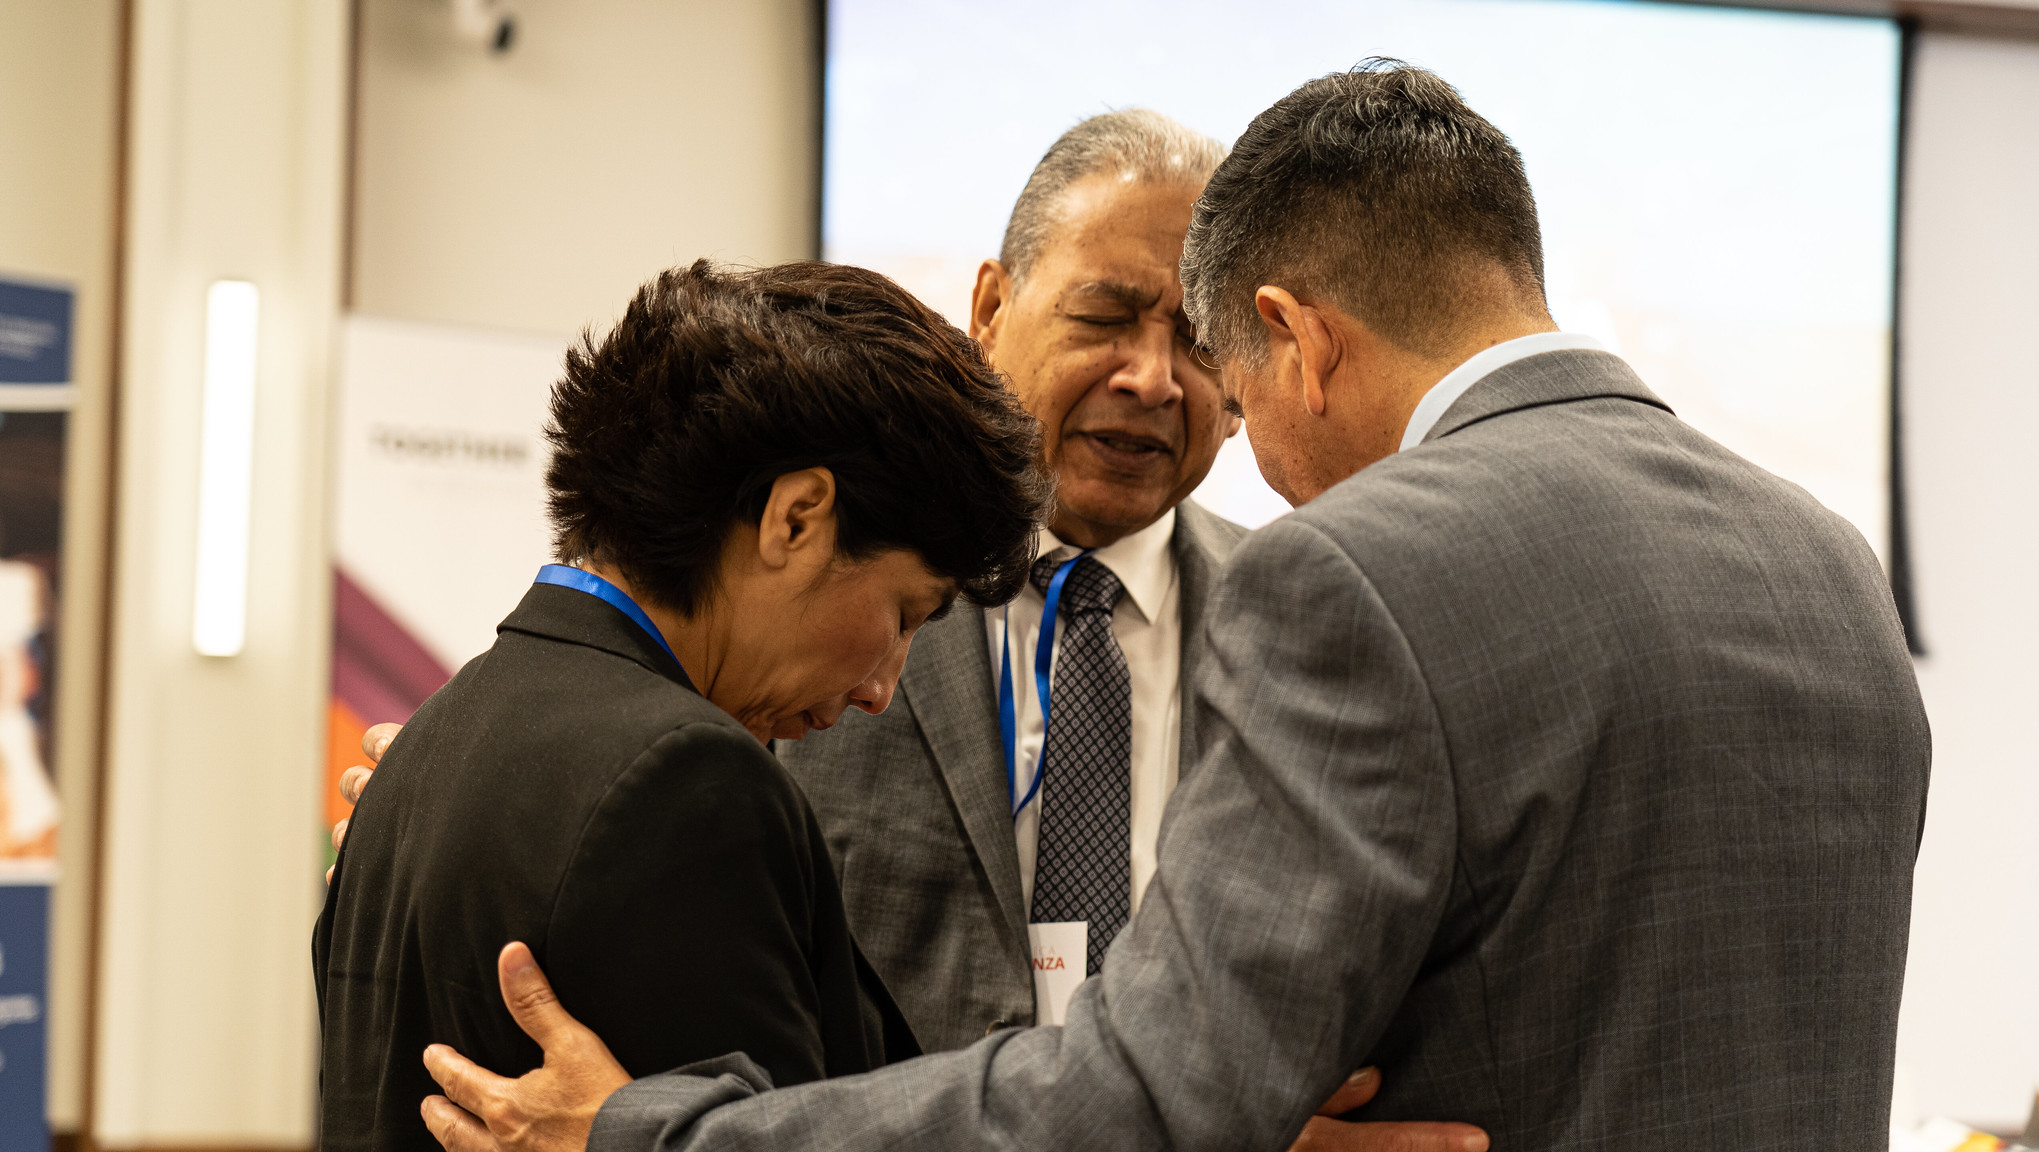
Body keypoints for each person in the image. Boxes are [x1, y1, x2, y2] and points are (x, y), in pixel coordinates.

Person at [409, 60, 1931, 1152]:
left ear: (1287, 340)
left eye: (1211, 364)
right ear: (993, 304)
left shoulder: (1348, 578)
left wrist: (655, 1139)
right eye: (1104, 320)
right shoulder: (1829, 570)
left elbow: (1147, 1099)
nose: (1176, 397)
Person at [333, 109, 1488, 1152]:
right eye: (1104, 315)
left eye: (1196, 342)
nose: (1150, 377)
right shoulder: (746, 672)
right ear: (990, 307)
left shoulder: (1320, 627)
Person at [313, 260, 1051, 1150]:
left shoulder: (420, 743)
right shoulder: (687, 781)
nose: (879, 688)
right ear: (795, 517)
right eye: (904, 614)